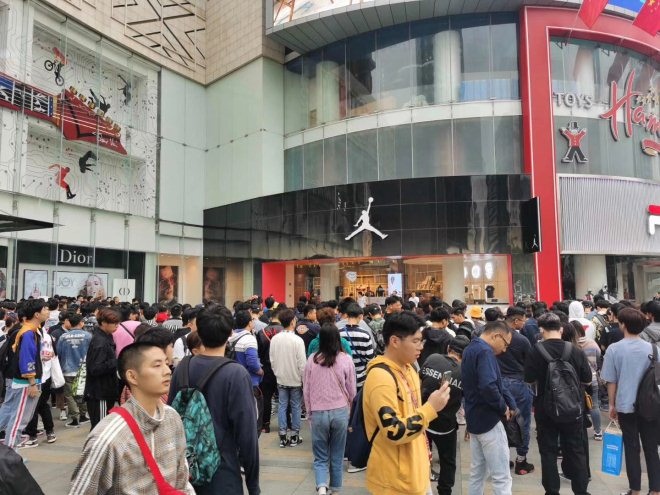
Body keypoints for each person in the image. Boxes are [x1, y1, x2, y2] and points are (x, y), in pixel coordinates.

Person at [70, 342, 194, 494]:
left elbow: (182, 477)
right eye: (157, 365)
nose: (167, 371)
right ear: (132, 376)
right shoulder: (108, 438)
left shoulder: (172, 417)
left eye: (166, 364)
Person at [168, 304, 260, 495]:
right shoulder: (235, 373)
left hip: (185, 471)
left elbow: (171, 416)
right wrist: (253, 485)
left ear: (198, 331)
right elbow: (247, 435)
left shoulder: (183, 367)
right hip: (222, 472)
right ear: (230, 334)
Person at [362, 311, 450, 495]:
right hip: (395, 483)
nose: (421, 347)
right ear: (395, 341)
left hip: (417, 474)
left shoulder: (409, 368)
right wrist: (431, 408)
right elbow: (394, 431)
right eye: (416, 341)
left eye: (421, 341)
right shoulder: (381, 377)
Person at [524, 312, 592, 495]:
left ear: (541, 330)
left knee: (548, 452)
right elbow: (587, 379)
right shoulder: (575, 350)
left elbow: (528, 378)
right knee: (576, 450)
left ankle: (552, 491)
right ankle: (581, 491)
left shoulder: (535, 351)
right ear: (561, 329)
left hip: (545, 408)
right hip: (573, 408)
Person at [601, 308, 660, 495]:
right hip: (651, 405)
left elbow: (611, 381)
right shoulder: (654, 349)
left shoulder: (614, 349)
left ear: (623, 325)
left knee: (632, 448)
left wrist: (612, 405)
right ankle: (655, 490)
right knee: (651, 448)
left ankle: (635, 490)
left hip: (626, 405)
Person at [462, 320, 517, 495]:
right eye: (505, 344)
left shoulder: (471, 348)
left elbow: (494, 382)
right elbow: (488, 385)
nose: (505, 349)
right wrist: (503, 407)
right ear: (496, 336)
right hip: (489, 420)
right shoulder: (485, 352)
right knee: (501, 476)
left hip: (475, 418)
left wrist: (509, 402)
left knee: (477, 473)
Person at [304, 323, 356, 495]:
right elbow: (352, 390)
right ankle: (335, 488)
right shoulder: (346, 359)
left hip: (318, 412)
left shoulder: (312, 360)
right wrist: (350, 411)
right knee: (337, 453)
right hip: (340, 411)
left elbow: (306, 389)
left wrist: (309, 412)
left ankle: (321, 486)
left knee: (320, 455)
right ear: (337, 339)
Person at [420, 336, 469, 495]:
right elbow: (468, 400)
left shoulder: (432, 358)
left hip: (423, 419)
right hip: (445, 425)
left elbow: (419, 382)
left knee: (421, 456)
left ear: (449, 348)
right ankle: (445, 491)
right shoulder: (465, 373)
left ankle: (422, 485)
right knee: (448, 461)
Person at [0, 300, 49, 450]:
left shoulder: (30, 330)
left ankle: (9, 453)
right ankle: (10, 453)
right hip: (25, 383)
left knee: (15, 416)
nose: (47, 311)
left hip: (24, 381)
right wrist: (32, 383)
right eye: (45, 309)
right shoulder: (28, 332)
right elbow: (26, 359)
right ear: (36, 314)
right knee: (19, 420)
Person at [498, 307, 534, 476]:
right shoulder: (521, 340)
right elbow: (530, 364)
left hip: (497, 383)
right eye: (523, 320)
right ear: (515, 320)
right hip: (518, 384)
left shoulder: (494, 335)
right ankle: (521, 461)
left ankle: (502, 459)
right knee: (522, 422)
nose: (524, 323)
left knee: (499, 423)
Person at [270, 308, 306, 448]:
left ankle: (283, 436)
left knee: (282, 406)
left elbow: (272, 360)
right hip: (295, 379)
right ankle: (295, 436)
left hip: (281, 378)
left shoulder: (275, 339)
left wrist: (277, 373)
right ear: (292, 322)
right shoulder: (298, 340)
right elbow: (302, 364)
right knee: (296, 406)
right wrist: (303, 379)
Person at [84, 308, 121, 429]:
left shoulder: (106, 336)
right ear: (104, 323)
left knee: (103, 427)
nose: (117, 326)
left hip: (105, 390)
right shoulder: (100, 341)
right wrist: (115, 362)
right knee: (100, 428)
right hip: (99, 393)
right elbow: (95, 368)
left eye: (118, 323)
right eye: (114, 323)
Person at [22, 321, 57, 446]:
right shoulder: (48, 336)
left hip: (36, 377)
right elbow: (53, 354)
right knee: (43, 405)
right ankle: (50, 432)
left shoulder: (33, 336)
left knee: (33, 407)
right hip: (46, 375)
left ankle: (32, 436)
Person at [228, 310, 263, 432]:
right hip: (250, 382)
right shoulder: (249, 339)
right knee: (254, 417)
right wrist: (260, 371)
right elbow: (252, 362)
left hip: (233, 380)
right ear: (249, 323)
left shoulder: (231, 337)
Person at [57, 312, 91, 428]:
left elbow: (58, 353)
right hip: (83, 369)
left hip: (67, 369)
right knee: (81, 392)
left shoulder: (63, 337)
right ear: (81, 323)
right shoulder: (88, 336)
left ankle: (75, 418)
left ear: (70, 323)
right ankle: (83, 415)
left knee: (69, 395)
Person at [575, 321, 602, 440]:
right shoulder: (592, 343)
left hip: (577, 381)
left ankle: (579, 431)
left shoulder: (571, 345)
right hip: (592, 378)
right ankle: (598, 432)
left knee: (577, 405)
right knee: (594, 406)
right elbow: (598, 356)